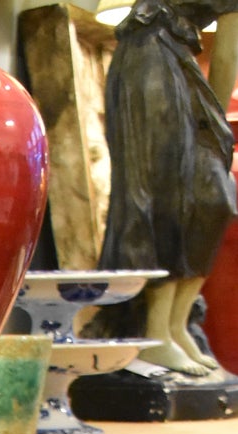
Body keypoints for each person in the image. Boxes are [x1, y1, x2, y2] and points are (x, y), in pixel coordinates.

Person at [100, 0, 238, 372]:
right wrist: (215, 125)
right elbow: (227, 55)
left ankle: (176, 325)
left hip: (176, 57)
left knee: (215, 196)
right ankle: (155, 332)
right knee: (164, 190)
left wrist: (212, 129)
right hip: (150, 59)